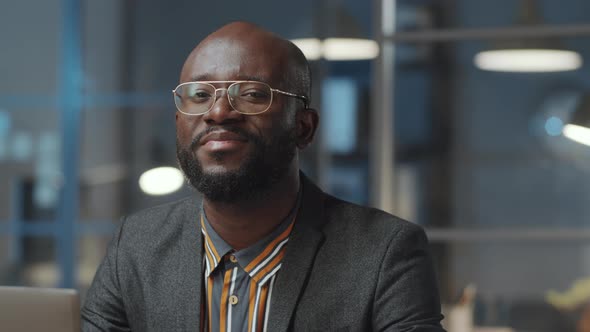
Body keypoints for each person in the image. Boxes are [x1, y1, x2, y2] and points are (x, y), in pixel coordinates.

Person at [81, 21, 445, 332]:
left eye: (252, 94)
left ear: (303, 127)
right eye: (199, 94)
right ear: (178, 123)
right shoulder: (135, 247)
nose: (219, 111)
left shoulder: (384, 253)